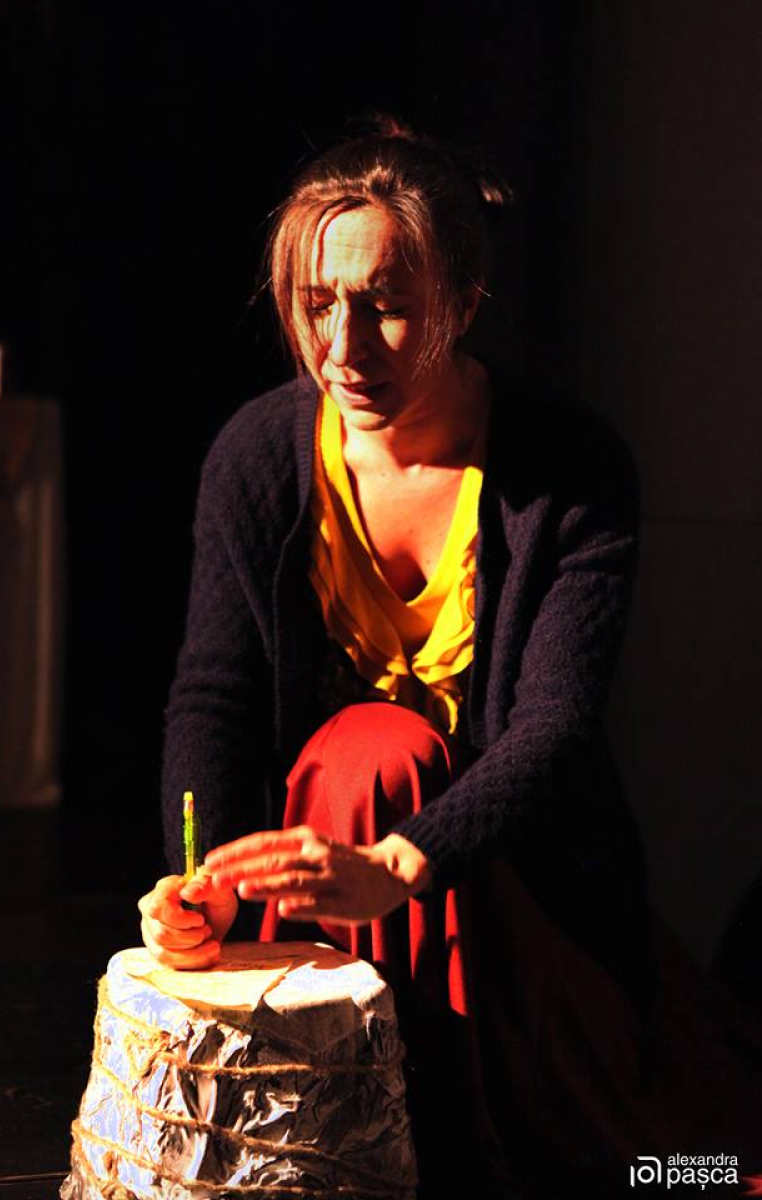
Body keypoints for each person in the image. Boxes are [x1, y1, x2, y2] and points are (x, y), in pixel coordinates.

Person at [138, 118, 664, 1197]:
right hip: (316, 894)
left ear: (463, 302)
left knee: (686, 1171)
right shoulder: (258, 453)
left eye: (384, 304)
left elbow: (554, 728)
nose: (342, 345)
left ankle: (453, 1133)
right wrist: (204, 884)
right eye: (315, 303)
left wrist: (402, 861)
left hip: (506, 902)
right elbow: (213, 697)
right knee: (364, 748)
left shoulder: (569, 464)